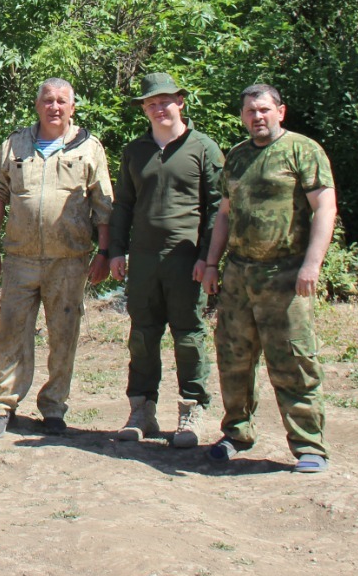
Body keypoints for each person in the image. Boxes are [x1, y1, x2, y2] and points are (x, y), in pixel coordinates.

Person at [200, 84, 337, 473]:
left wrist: (312, 264)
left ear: (280, 111)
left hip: (286, 274)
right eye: (249, 111)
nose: (256, 117)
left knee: (293, 360)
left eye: (263, 110)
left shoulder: (302, 150)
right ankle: (236, 433)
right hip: (240, 275)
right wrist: (212, 263)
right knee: (233, 358)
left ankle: (309, 445)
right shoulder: (238, 158)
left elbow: (325, 207)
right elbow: (224, 214)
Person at [0, 78, 113, 440]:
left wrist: (104, 253)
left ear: (73, 107)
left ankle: (54, 408)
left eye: (62, 101)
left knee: (63, 335)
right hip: (20, 258)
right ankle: (2, 407)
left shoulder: (89, 148)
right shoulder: (15, 144)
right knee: (10, 334)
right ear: (37, 105)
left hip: (69, 261)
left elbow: (104, 205)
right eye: (48, 101)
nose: (55, 107)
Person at [107, 73, 224, 448]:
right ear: (144, 109)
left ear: (181, 102)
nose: (159, 108)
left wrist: (208, 258)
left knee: (188, 335)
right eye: (151, 103)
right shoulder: (135, 151)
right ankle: (142, 409)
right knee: (142, 335)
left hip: (185, 260)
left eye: (165, 101)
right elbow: (123, 204)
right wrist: (115, 251)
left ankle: (193, 409)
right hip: (142, 260)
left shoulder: (203, 148)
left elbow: (218, 209)